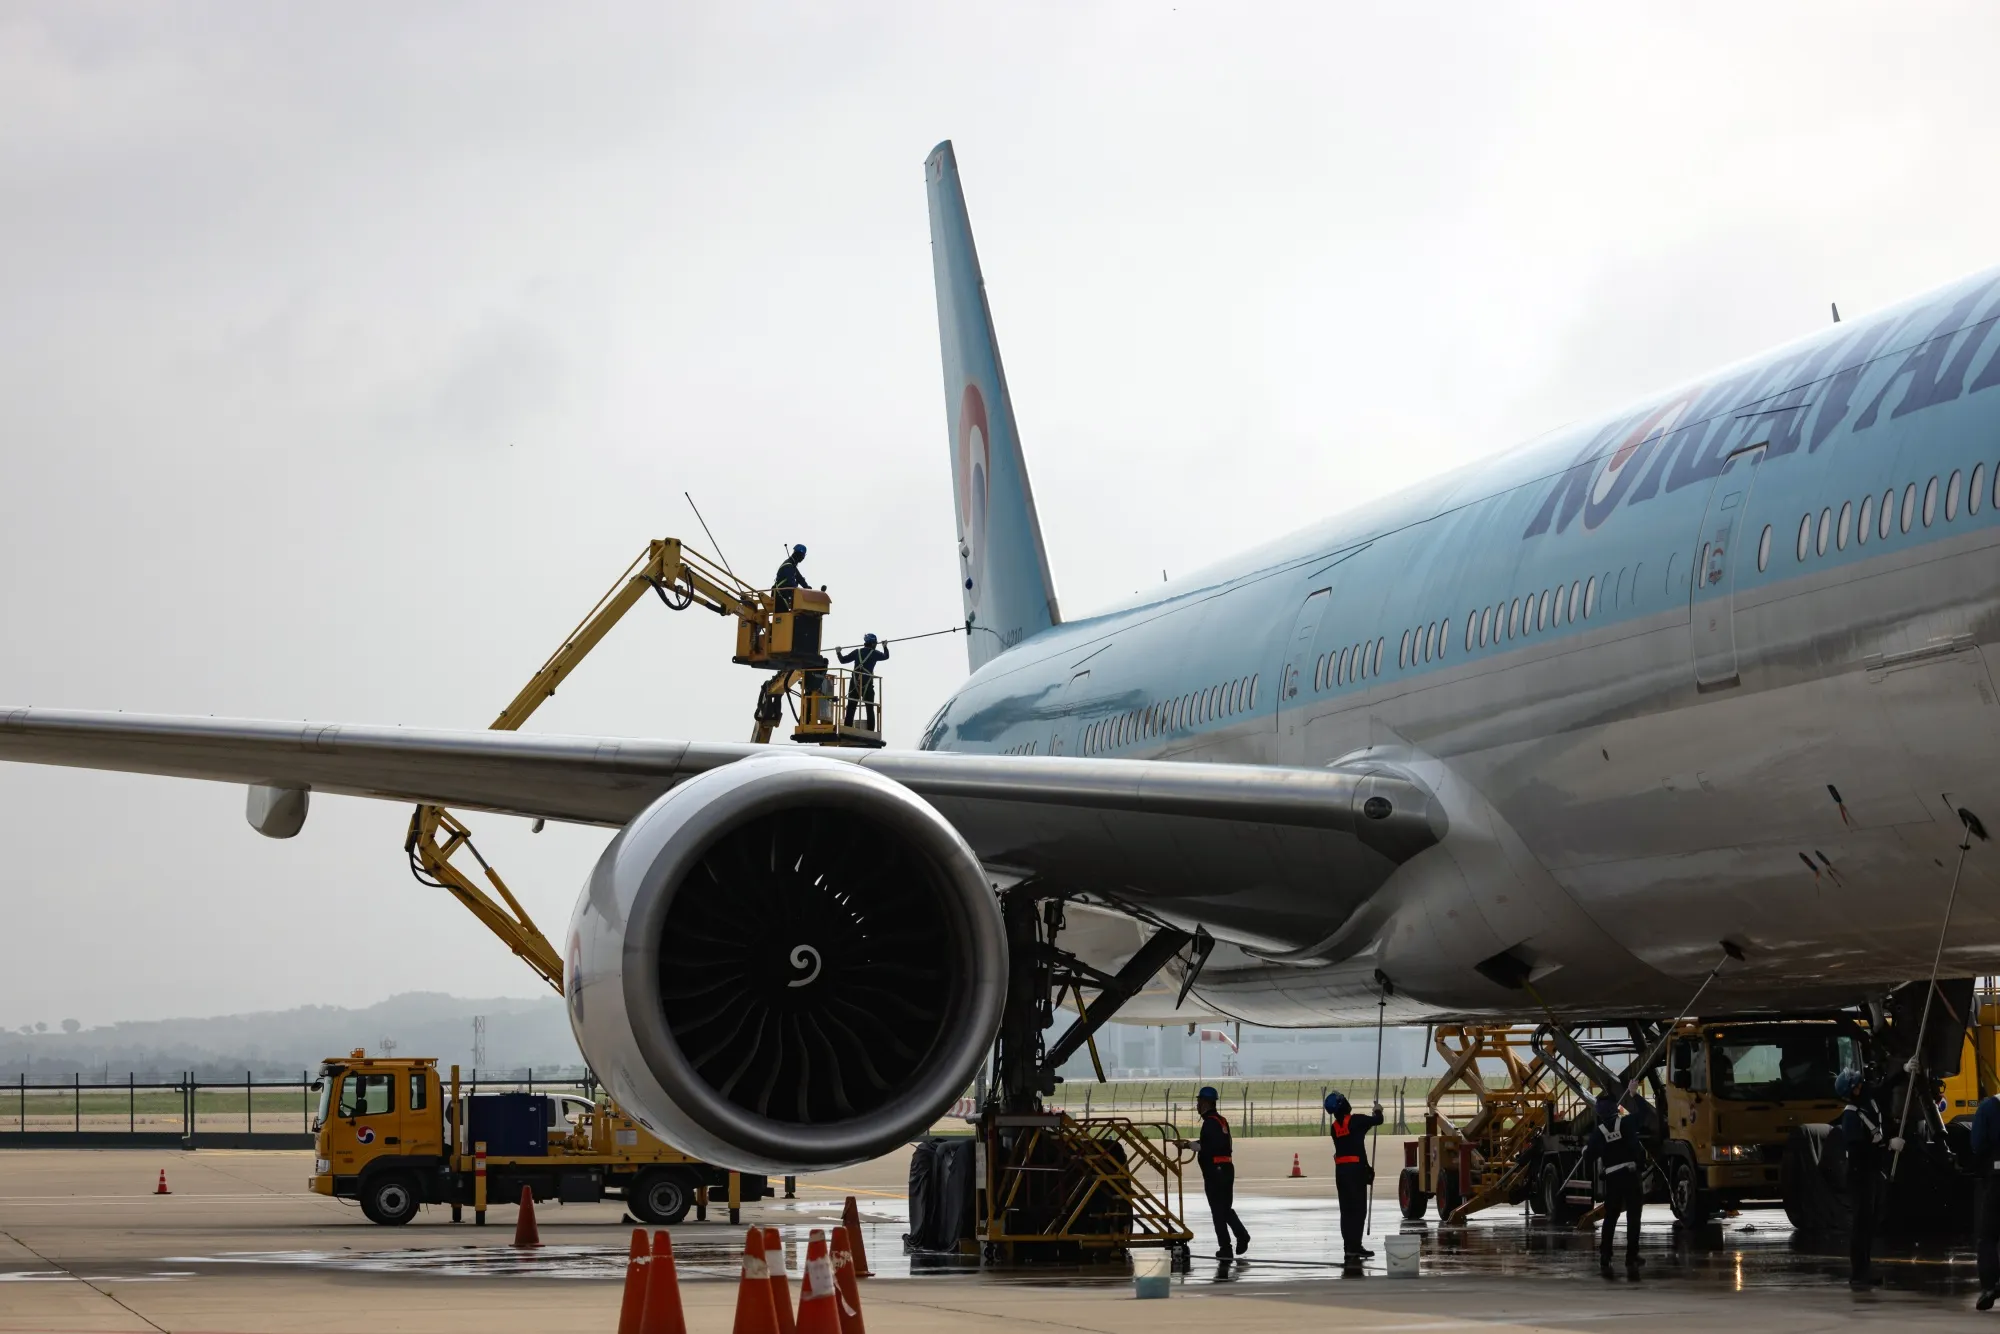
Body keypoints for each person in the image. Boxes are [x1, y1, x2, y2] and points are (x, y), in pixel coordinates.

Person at [1836, 1067, 1901, 1291]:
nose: (1863, 1087)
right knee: (1861, 1225)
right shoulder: (1851, 1116)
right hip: (1859, 1175)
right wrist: (1886, 1147)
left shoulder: (1867, 1103)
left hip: (1870, 1172)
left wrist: (1902, 1070)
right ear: (1852, 1091)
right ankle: (1858, 1273)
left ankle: (1865, 1271)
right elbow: (1858, 1151)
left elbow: (1884, 1087)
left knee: (1869, 1224)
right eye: (1858, 1085)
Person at [1580, 1091, 1644, 1279]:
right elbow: (1644, 1115)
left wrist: (1586, 1150)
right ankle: (1631, 1256)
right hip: (1631, 1175)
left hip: (1613, 1178)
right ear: (1615, 1108)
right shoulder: (1626, 1123)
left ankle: (1605, 1255)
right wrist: (1634, 1094)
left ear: (1599, 1112)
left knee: (1611, 1217)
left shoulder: (1599, 1133)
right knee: (1633, 1217)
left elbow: (1589, 1157)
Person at [1192, 1086, 1250, 1259]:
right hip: (1225, 1169)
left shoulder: (1209, 1123)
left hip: (1215, 1172)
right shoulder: (1220, 1120)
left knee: (1218, 1211)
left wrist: (1191, 1146)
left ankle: (1226, 1246)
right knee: (1224, 1209)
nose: (1197, 1105)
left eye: (1199, 1101)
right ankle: (1240, 1235)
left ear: (1206, 1103)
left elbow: (1209, 1147)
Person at [1325, 1091, 1384, 1261]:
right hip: (1356, 1172)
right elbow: (1377, 1120)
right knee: (1358, 1210)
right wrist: (1377, 1109)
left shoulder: (1334, 1128)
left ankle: (1349, 1247)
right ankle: (1355, 1246)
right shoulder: (1356, 1121)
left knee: (1346, 1211)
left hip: (1341, 1173)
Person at [1971, 1090, 2000, 1309]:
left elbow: (1978, 1144)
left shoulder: (1988, 1109)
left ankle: (1990, 1286)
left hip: (1997, 1178)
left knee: (1988, 1234)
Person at [837, 634, 890, 729]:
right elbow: (886, 656)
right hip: (867, 684)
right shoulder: (874, 653)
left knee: (851, 707)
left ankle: (847, 728)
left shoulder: (857, 652)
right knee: (870, 708)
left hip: (854, 684)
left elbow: (843, 660)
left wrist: (838, 652)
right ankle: (870, 731)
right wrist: (885, 646)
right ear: (873, 643)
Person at [773, 544, 807, 611]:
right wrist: (799, 592)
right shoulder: (788, 566)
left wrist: (807, 587)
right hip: (779, 596)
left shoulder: (792, 566)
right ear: (799, 555)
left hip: (784, 595)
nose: (803, 558)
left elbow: (800, 578)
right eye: (803, 556)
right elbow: (791, 582)